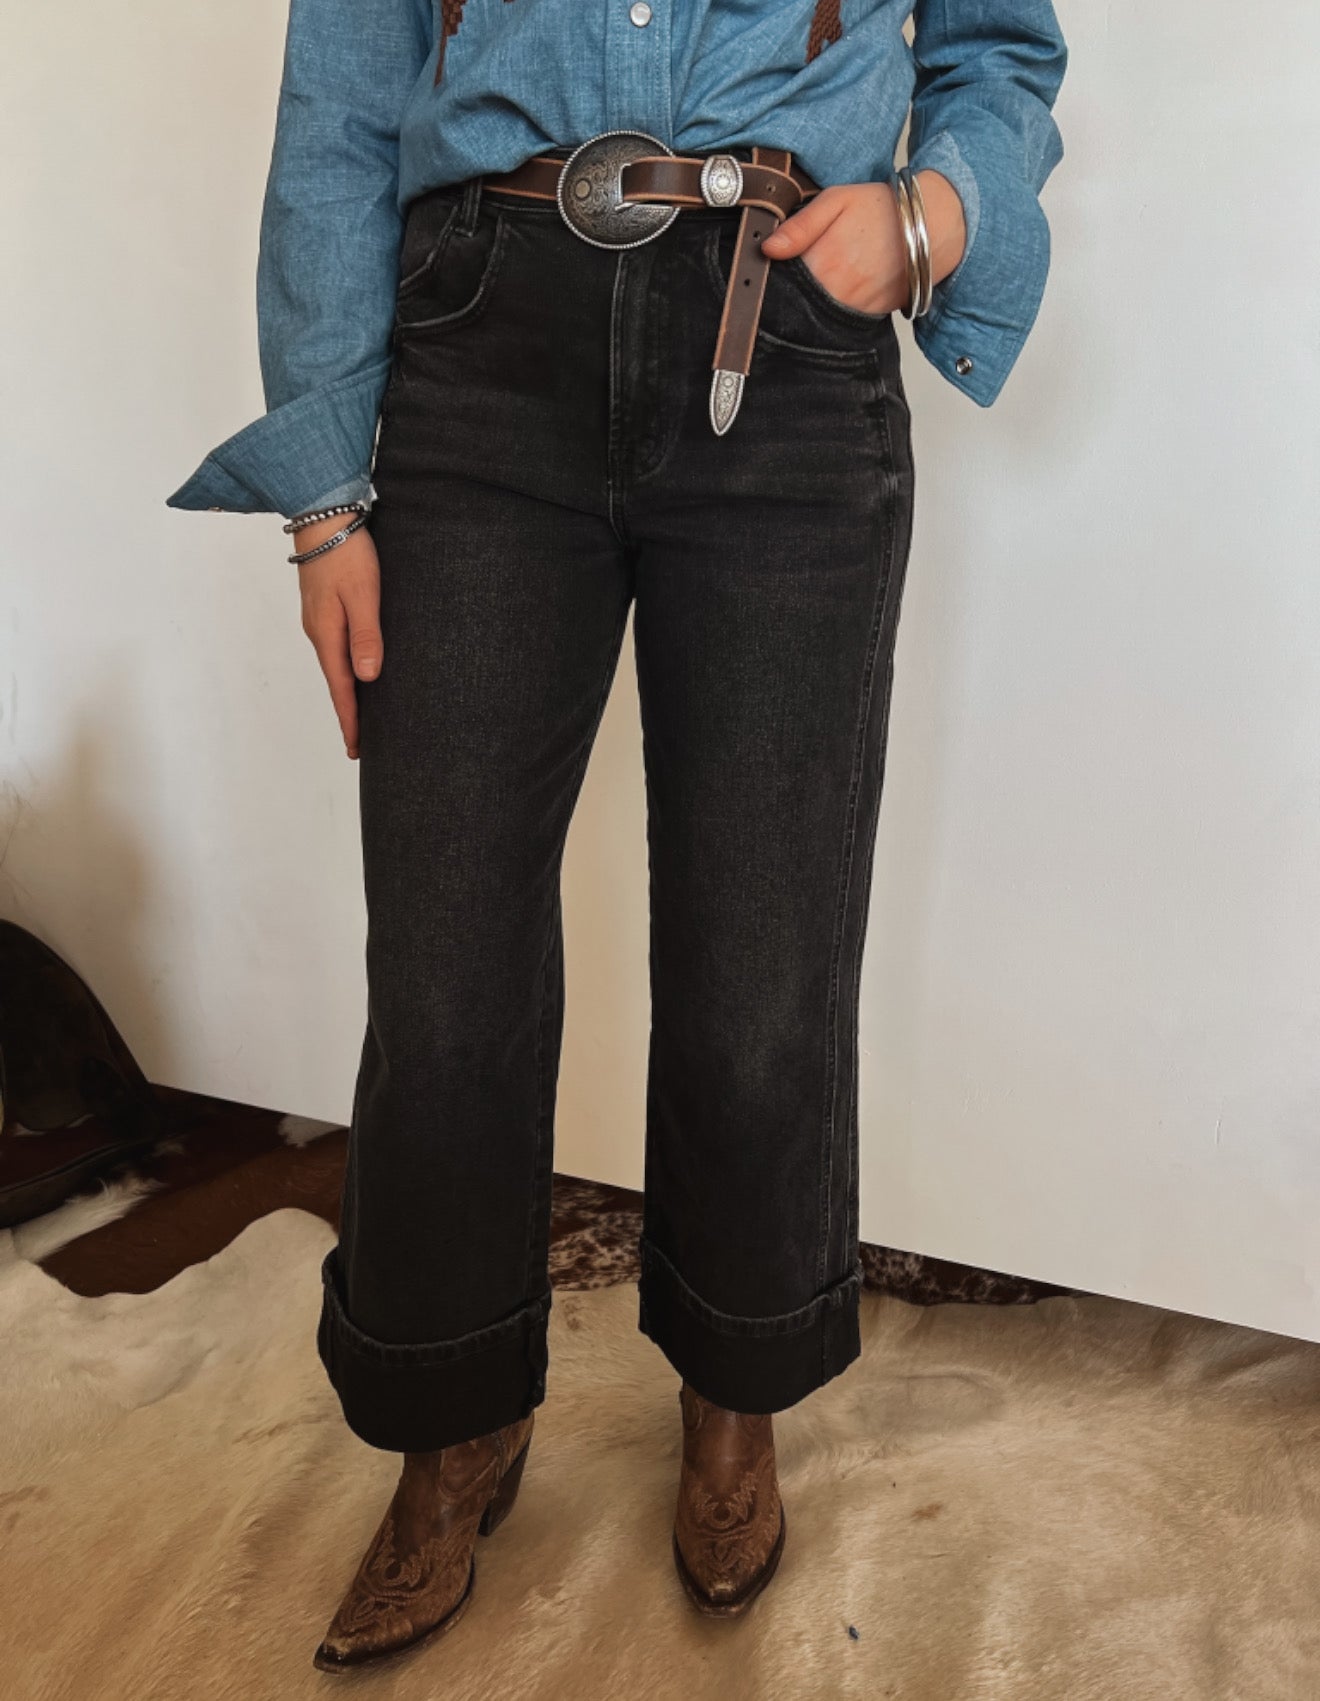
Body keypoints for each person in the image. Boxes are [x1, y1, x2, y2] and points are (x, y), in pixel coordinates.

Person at [167, 0, 1066, 1674]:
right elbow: (343, 97)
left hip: (783, 338)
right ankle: (453, 1418)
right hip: (480, 349)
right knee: (442, 972)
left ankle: (735, 1385)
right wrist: (323, 493)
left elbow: (998, 48)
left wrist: (929, 217)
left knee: (760, 958)